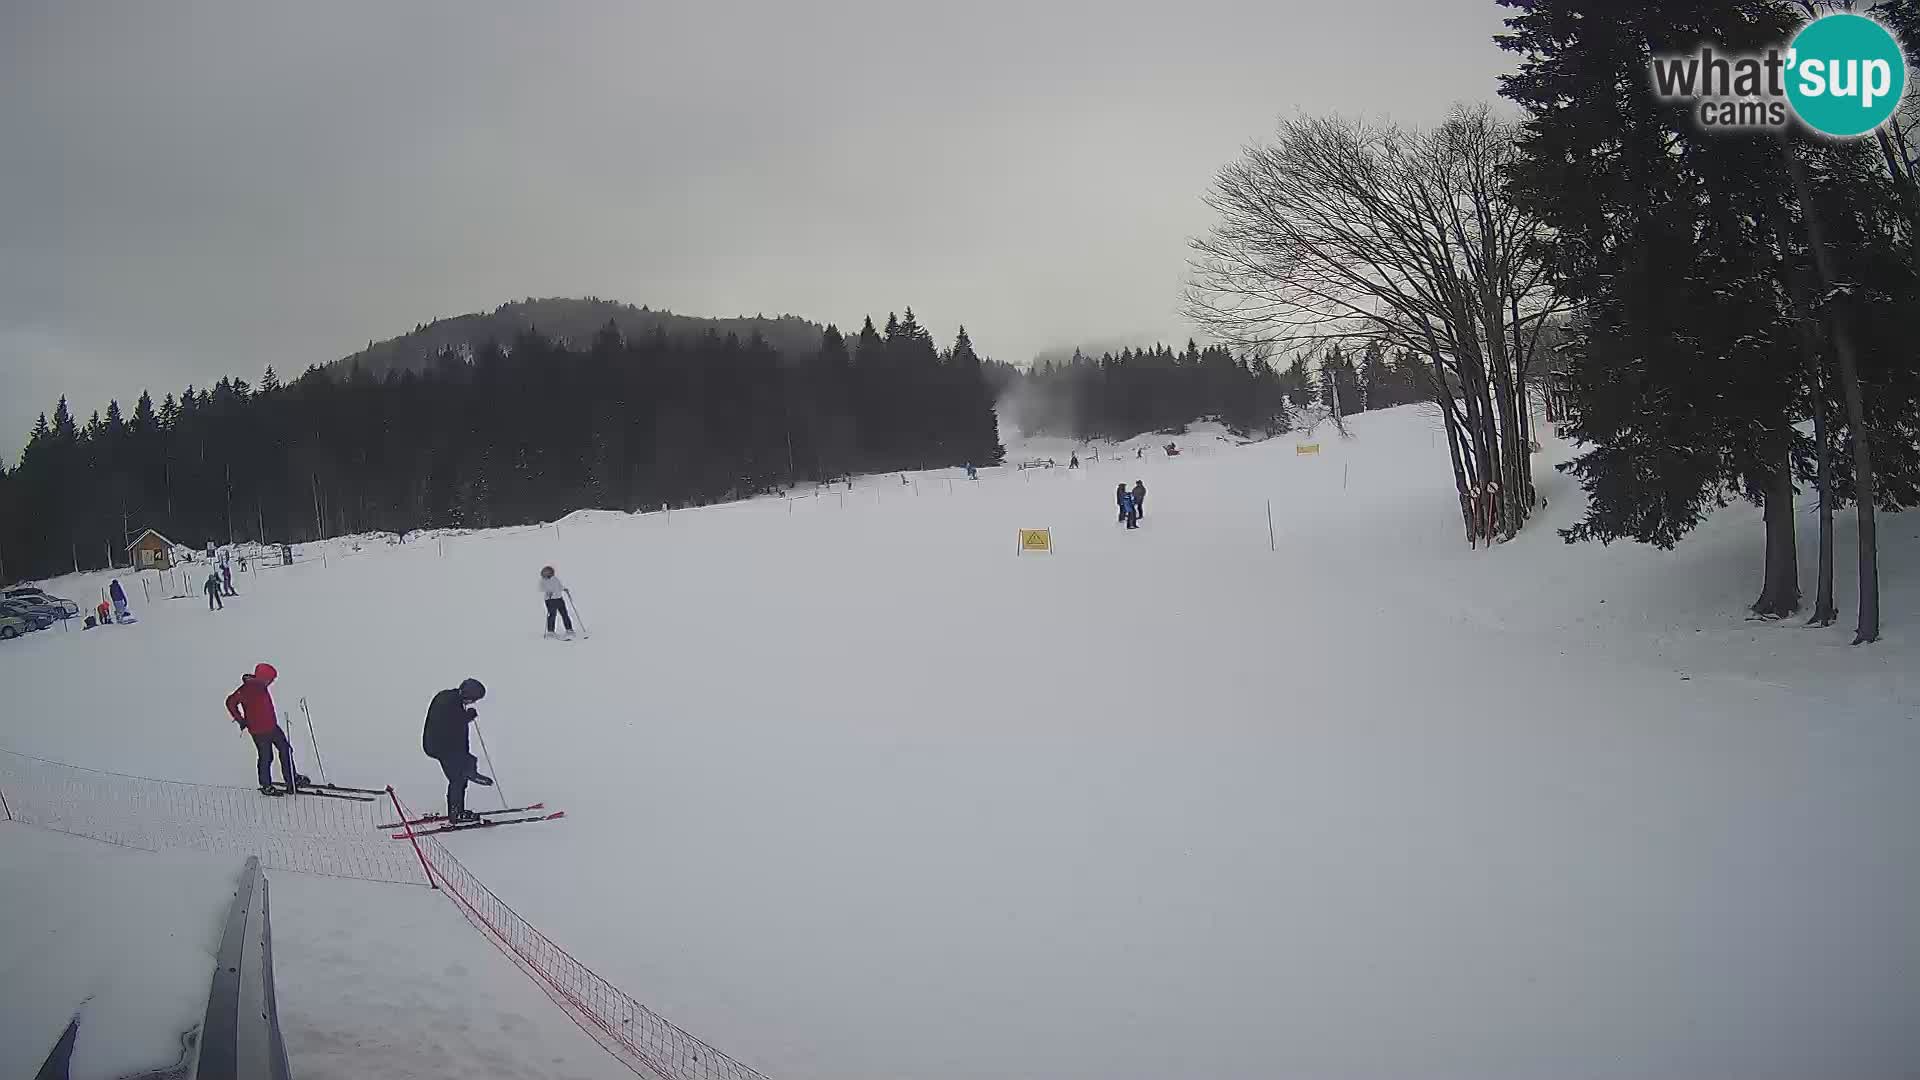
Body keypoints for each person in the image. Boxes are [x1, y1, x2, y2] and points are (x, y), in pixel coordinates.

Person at [226, 662, 306, 794]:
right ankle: (266, 785)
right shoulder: (247, 689)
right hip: (259, 731)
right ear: (263, 677)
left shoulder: (261, 686)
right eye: (271, 679)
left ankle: (292, 778)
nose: (272, 682)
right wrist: (241, 720)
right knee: (266, 757)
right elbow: (230, 702)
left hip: (272, 726)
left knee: (286, 749)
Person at [423, 678, 492, 824]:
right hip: (440, 747)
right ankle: (456, 814)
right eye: (474, 699)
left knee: (467, 765)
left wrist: (465, 717)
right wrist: (467, 717)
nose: (473, 703)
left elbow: (456, 728)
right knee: (457, 779)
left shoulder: (451, 698)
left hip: (446, 746)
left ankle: (470, 773)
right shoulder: (448, 702)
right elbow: (449, 724)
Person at [539, 566, 574, 639]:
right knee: (552, 615)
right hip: (550, 600)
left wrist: (564, 589)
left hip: (559, 599)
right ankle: (551, 631)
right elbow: (541, 588)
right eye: (545, 572)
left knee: (564, 614)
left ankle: (569, 629)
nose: (547, 573)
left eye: (548, 571)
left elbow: (559, 586)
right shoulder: (543, 581)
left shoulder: (555, 579)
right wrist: (548, 592)